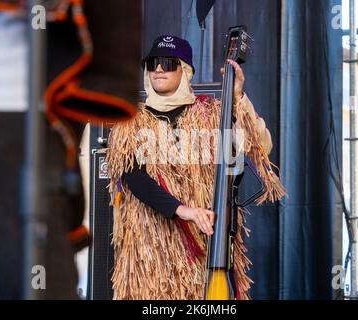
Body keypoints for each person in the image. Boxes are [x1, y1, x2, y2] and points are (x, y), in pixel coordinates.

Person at [107, 35, 286, 300]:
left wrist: (237, 97)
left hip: (206, 247)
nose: (158, 69)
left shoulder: (213, 112)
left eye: (168, 63)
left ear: (185, 70)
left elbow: (261, 145)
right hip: (150, 254)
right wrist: (183, 210)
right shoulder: (130, 119)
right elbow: (133, 177)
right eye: (153, 63)